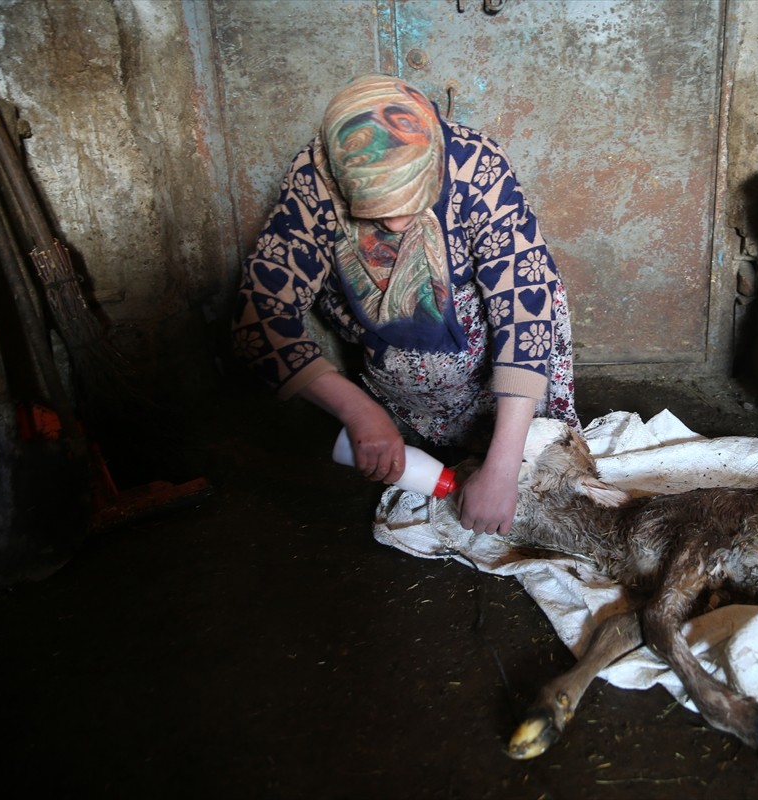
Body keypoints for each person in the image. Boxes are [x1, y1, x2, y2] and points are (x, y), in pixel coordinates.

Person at [232, 73, 578, 536]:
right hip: (395, 354)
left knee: (537, 290)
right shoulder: (314, 181)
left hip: (479, 332)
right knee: (425, 445)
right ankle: (432, 433)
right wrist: (358, 411)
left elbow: (524, 303)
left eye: (412, 200)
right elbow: (259, 316)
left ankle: (504, 441)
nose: (395, 224)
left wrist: (503, 467)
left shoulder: (475, 163)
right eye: (376, 208)